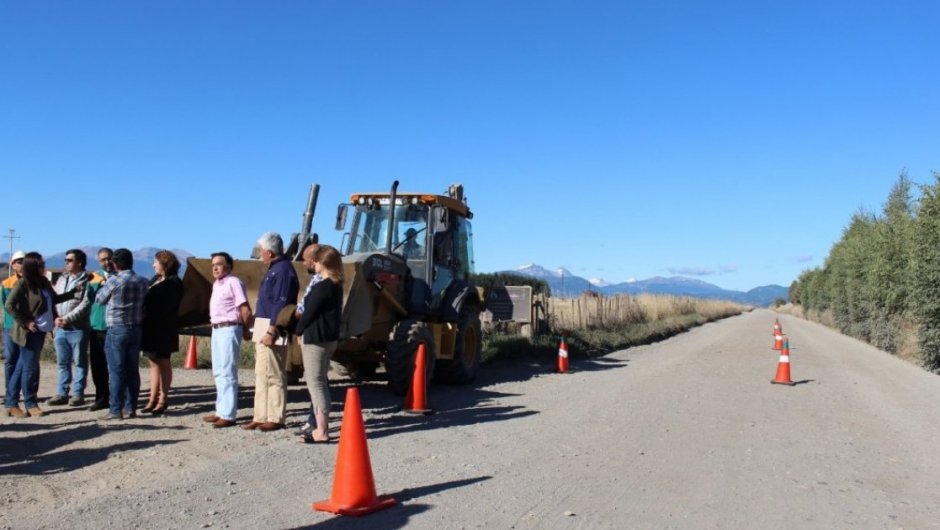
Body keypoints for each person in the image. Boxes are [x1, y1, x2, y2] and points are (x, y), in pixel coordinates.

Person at [242, 232, 298, 432]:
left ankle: (275, 416)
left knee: (274, 372)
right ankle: (260, 415)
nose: (258, 254)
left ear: (269, 252)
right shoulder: (273, 269)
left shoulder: (283, 271)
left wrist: (272, 330)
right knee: (260, 372)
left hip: (274, 326)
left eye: (260, 250)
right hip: (262, 323)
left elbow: (281, 303)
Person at [4, 253, 64, 418]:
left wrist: (74, 293)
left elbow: (55, 299)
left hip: (41, 331)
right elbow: (9, 305)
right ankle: (30, 403)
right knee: (28, 368)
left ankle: (11, 402)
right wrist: (26, 321)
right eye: (40, 264)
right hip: (29, 332)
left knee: (21, 366)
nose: (44, 267)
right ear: (32, 267)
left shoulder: (43, 282)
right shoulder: (23, 283)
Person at [294, 245, 344, 444]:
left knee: (316, 384)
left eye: (315, 261)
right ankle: (320, 426)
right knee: (320, 381)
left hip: (316, 338)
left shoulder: (323, 286)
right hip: (328, 338)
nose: (312, 264)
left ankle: (321, 430)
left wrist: (298, 331)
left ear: (323, 263)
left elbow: (309, 312)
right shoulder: (335, 284)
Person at [95, 248, 149, 420]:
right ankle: (130, 407)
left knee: (117, 370)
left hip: (117, 328)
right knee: (132, 370)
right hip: (136, 328)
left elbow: (99, 300)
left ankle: (115, 409)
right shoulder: (142, 281)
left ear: (115, 264)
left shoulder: (114, 280)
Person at [203, 251, 252, 428]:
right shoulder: (217, 284)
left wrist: (246, 330)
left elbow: (245, 309)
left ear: (229, 266)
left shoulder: (233, 282)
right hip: (217, 328)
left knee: (227, 371)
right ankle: (221, 410)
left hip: (230, 327)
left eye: (219, 264)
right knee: (218, 371)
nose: (215, 267)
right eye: (213, 265)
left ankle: (229, 414)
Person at [140, 250, 184, 416]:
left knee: (164, 361)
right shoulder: (155, 280)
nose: (153, 265)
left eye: (156, 262)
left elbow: (169, 305)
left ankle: (163, 398)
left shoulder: (174, 283)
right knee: (152, 362)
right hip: (150, 326)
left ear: (165, 263)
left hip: (164, 327)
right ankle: (152, 398)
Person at [48, 249, 92, 407]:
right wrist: (55, 318)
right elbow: (54, 299)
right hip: (59, 327)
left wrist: (66, 319)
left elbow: (86, 305)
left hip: (77, 327)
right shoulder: (61, 279)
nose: (66, 262)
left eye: (69, 260)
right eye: (65, 260)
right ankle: (62, 392)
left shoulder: (88, 280)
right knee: (62, 362)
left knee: (79, 361)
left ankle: (78, 393)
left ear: (79, 262)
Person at [85, 248, 114, 411]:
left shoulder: (120, 276)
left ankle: (118, 397)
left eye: (109, 258)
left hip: (114, 326)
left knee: (116, 365)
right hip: (97, 326)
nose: (106, 262)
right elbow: (87, 298)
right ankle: (101, 397)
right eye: (103, 259)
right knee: (98, 365)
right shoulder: (93, 278)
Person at [3, 250, 26, 417]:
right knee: (11, 361)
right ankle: (10, 395)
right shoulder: (6, 284)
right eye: (18, 261)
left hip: (26, 328)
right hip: (11, 327)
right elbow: (5, 305)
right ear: (13, 264)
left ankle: (18, 395)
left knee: (23, 362)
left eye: (24, 261)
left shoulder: (33, 282)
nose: (21, 264)